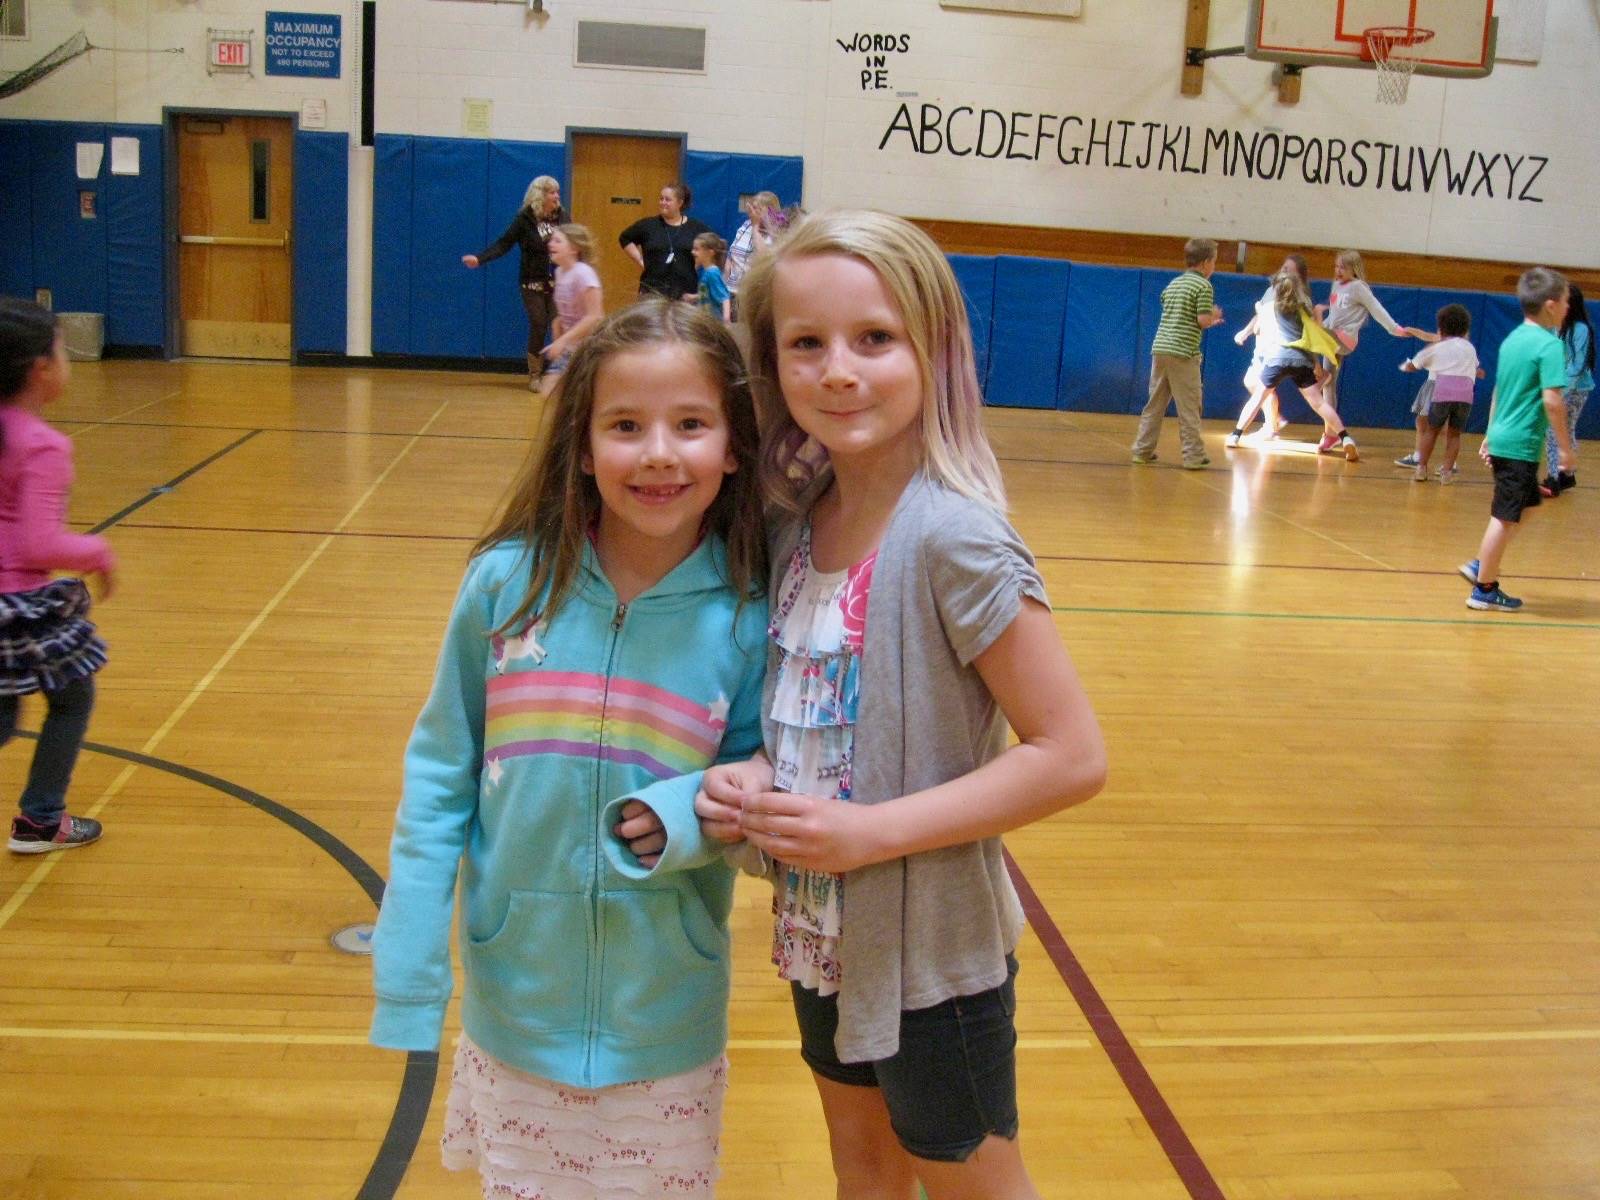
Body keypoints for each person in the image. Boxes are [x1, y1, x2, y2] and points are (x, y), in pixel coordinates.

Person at [686, 211, 1108, 1198]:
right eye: (806, 344)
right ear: (771, 363)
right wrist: (752, 784)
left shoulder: (953, 538)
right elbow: (808, 719)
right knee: (864, 1177)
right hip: (823, 936)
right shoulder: (797, 529)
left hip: (933, 967)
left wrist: (870, 833)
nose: (839, 370)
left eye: (874, 339)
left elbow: (1070, 753)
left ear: (933, 348)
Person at [369, 299, 769, 1197]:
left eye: (691, 424)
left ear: (734, 444)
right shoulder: (505, 587)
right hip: (517, 1010)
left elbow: (761, 789)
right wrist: (408, 957)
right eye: (625, 425)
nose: (659, 452)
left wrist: (687, 820)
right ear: (582, 446)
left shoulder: (748, 618)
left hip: (664, 1027)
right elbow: (441, 775)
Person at [1, 298, 116, 854]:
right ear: (40, 370)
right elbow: (39, 543)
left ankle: (42, 818)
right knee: (68, 697)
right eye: (62, 351)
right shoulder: (42, 445)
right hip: (12, 603)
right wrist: (99, 553)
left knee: (61, 693)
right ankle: (41, 818)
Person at [1458, 267, 1576, 612]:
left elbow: (1499, 390)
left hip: (1504, 437)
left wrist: (1489, 433)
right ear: (1552, 305)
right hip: (1521, 443)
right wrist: (1565, 451)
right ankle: (1484, 588)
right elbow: (1552, 401)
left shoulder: (1512, 339)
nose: (1569, 307)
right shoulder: (1550, 345)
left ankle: (1484, 562)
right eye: (1567, 301)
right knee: (1505, 516)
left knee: (1525, 506)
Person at [1224, 271, 1359, 460]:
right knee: (1318, 402)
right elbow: (1316, 332)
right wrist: (1318, 313)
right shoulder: (1303, 309)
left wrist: (1256, 313)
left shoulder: (1270, 307)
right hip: (1301, 359)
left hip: (1277, 357)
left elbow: (1258, 325)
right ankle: (1346, 439)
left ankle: (1235, 435)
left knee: (1258, 398)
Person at [462, 175, 568, 391]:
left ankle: (560, 374)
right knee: (539, 323)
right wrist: (480, 259)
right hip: (532, 284)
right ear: (540, 195)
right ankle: (535, 374)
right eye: (552, 192)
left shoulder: (562, 217)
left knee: (560, 325)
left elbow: (574, 241)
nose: (557, 196)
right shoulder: (525, 219)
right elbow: (504, 243)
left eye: (557, 192)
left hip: (559, 283)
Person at [1131, 238, 1224, 470]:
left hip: (1161, 349)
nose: (1214, 267)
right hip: (1183, 353)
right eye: (1214, 262)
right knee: (1190, 406)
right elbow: (1201, 321)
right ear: (1204, 263)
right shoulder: (1204, 286)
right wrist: (1212, 316)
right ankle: (1193, 455)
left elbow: (1167, 305)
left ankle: (1142, 450)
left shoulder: (1174, 284)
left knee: (1155, 404)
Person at [1314, 249, 1411, 452]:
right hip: (1331, 338)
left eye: (1344, 267)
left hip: (1345, 340)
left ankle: (1315, 374)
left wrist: (1395, 329)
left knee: (1311, 332)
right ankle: (1331, 435)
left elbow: (1377, 309)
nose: (1338, 271)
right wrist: (1323, 323)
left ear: (1354, 269)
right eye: (1337, 266)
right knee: (1328, 387)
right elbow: (1334, 314)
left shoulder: (1359, 288)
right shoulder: (1336, 285)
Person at [1398, 304, 1479, 483]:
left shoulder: (1439, 346)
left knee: (1431, 431)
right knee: (1454, 434)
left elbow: (1414, 364)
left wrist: (1406, 366)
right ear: (1465, 329)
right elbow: (1476, 368)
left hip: (1443, 391)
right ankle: (1447, 472)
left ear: (1441, 329)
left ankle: (1421, 467)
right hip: (1465, 396)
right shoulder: (1469, 348)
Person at [1232, 253, 1310, 439]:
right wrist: (1247, 331)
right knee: (1253, 382)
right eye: (1283, 268)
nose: (1283, 271)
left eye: (1288, 270)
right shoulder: (1272, 290)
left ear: (1298, 277)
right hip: (1262, 345)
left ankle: (1271, 425)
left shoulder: (1297, 297)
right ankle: (1274, 420)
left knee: (1259, 385)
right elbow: (1259, 314)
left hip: (1274, 348)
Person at [619, 182, 712, 301]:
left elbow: (712, 245)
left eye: (668, 200)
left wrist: (697, 264)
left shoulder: (696, 227)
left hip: (685, 293)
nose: (663, 202)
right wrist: (641, 260)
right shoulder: (648, 225)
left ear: (680, 203)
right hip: (651, 291)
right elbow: (625, 238)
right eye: (661, 198)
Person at [1541, 283, 1593, 496]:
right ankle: (1566, 474)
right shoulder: (1555, 327)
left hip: (1575, 389)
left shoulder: (1580, 329)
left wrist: (1560, 390)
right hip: (1559, 386)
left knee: (1554, 430)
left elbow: (1577, 366)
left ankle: (1554, 479)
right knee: (1564, 429)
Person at [539, 223, 603, 390]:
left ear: (574, 248)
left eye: (558, 241)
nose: (551, 244)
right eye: (551, 240)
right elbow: (567, 313)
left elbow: (595, 316)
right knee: (552, 390)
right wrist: (557, 327)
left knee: (555, 390)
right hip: (571, 346)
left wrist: (562, 341)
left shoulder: (583, 273)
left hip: (589, 347)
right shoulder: (560, 272)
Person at [724, 190, 782, 312]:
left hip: (753, 293)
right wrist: (726, 274)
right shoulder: (746, 225)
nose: (752, 213)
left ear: (770, 212)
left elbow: (763, 258)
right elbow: (732, 251)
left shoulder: (774, 234)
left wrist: (756, 227)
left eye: (758, 209)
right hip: (733, 290)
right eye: (752, 208)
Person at [691, 231, 732, 323]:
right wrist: (693, 297)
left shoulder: (712, 273)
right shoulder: (706, 272)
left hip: (713, 322)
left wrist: (726, 319)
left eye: (696, 249)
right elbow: (707, 295)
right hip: (706, 320)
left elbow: (724, 297)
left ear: (710, 253)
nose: (692, 252)